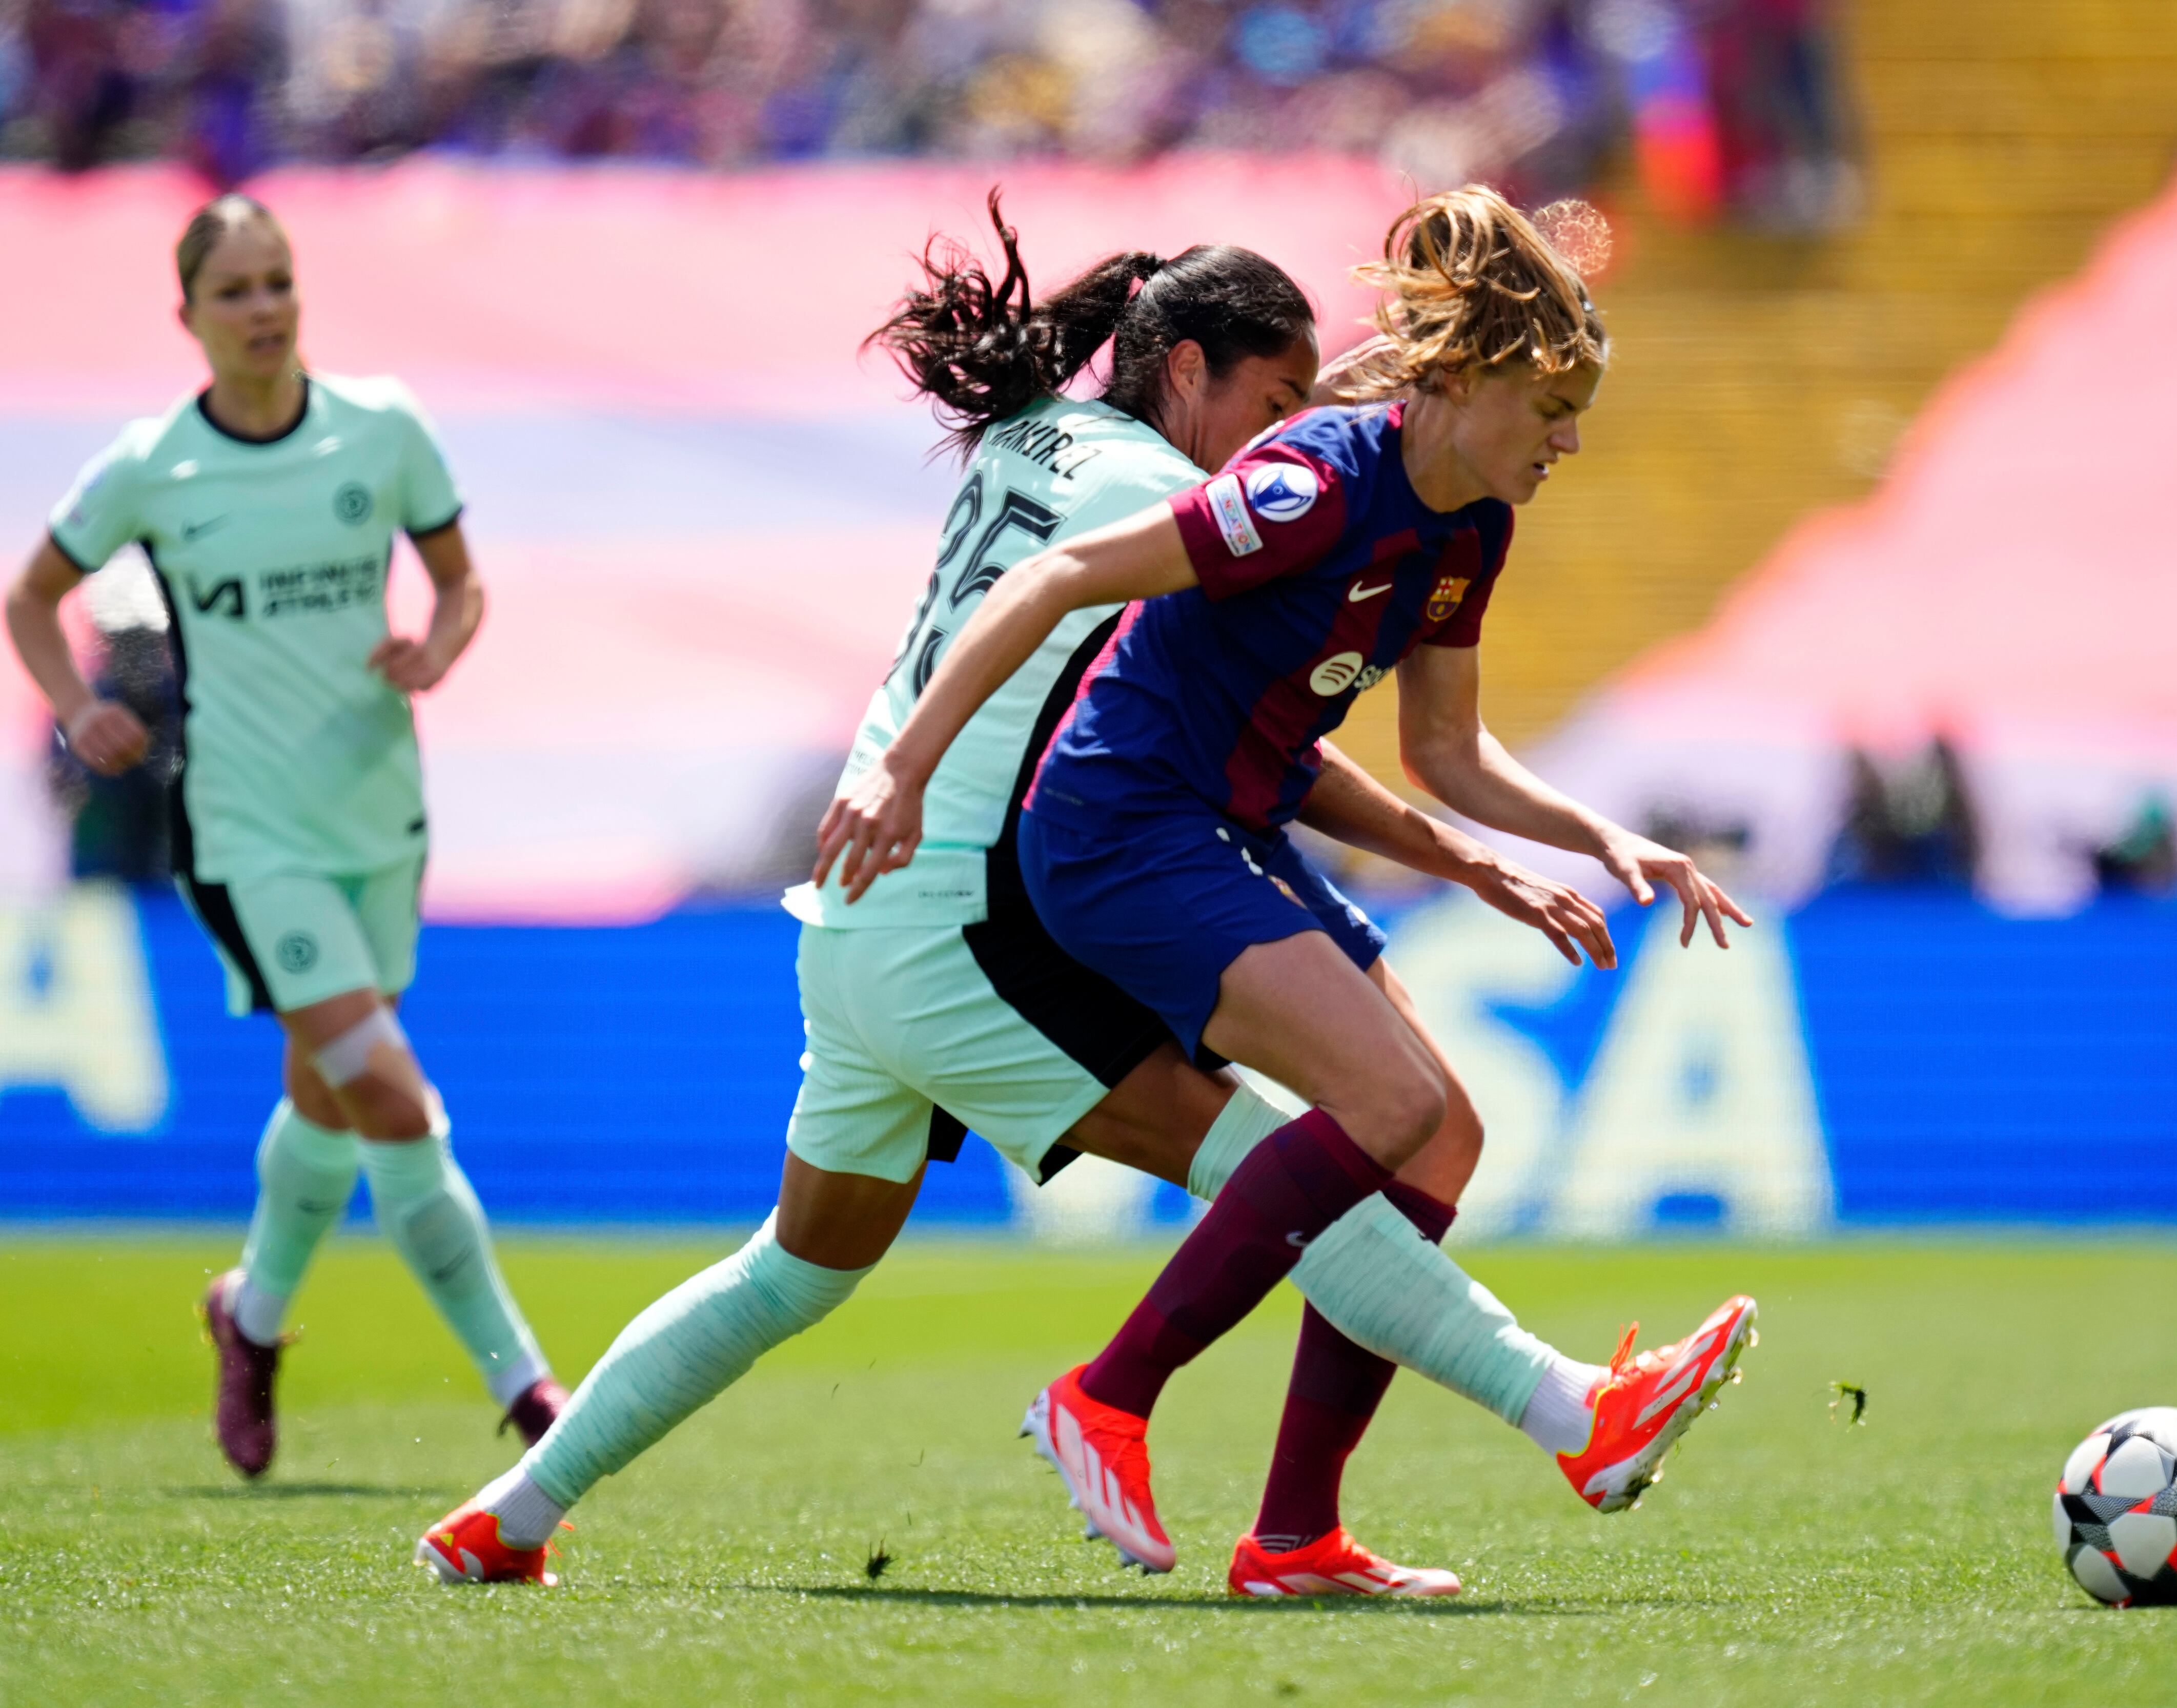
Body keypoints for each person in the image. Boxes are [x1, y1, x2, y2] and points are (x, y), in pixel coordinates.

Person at [417, 198, 1744, 1598]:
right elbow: (1197, 690)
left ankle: (513, 1504)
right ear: (1189, 375)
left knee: (794, 1268)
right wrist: (918, 771)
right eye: (1273, 399)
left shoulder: (1028, 441)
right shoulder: (1171, 501)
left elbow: (1258, 720)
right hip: (964, 923)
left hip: (863, 915)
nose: (1286, 427)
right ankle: (1547, 1410)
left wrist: (1465, 845)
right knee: (1311, 1154)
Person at [820, 184, 1760, 1576]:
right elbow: (1061, 578)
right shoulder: (1309, 481)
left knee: (1440, 1138)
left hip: (1224, 827)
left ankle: (1295, 1530)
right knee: (1391, 1100)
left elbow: (1447, 749)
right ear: (1470, 380)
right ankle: (1107, 1394)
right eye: (1551, 408)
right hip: (1116, 825)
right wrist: (901, 766)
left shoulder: (1470, 530)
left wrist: (1595, 837)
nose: (1566, 442)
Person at [3, 194, 563, 1478]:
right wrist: (78, 704)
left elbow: (463, 580)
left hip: (379, 815)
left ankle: (248, 1315)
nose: (262, 310)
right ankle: (530, 1386)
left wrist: (437, 644)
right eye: (235, 291)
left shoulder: (384, 427)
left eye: (278, 283)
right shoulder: (153, 465)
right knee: (391, 1096)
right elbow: (33, 595)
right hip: (243, 831)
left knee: (327, 1092)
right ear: (189, 316)